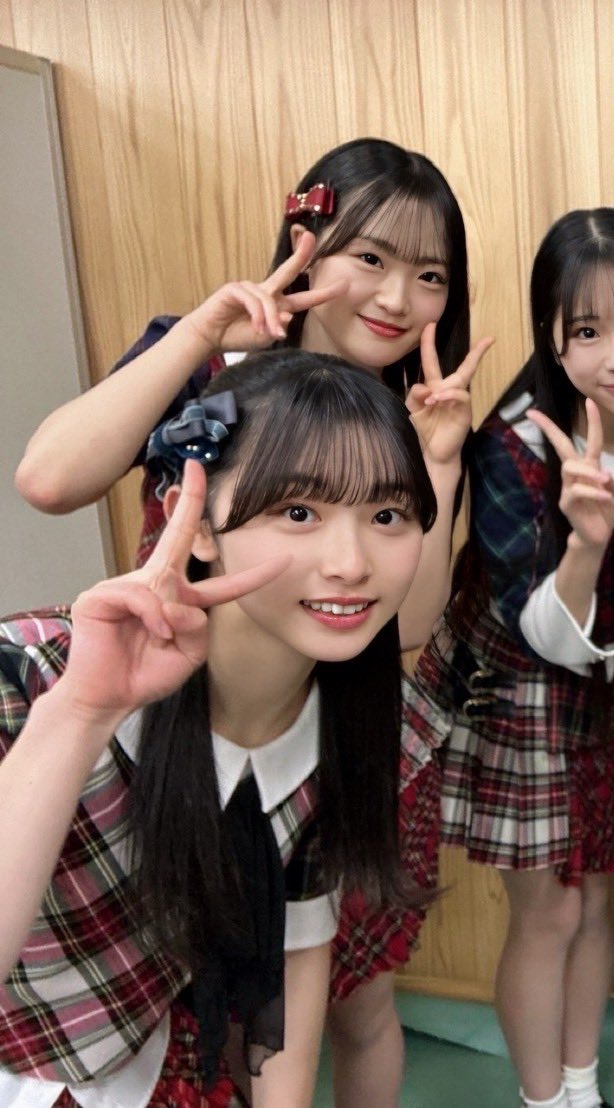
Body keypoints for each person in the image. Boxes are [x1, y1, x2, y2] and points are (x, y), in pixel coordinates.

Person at [14, 137, 491, 1104]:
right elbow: (49, 479)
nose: (397, 297)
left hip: (321, 737)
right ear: (306, 245)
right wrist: (202, 334)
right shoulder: (210, 369)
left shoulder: (420, 416)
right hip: (164, 723)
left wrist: (437, 463)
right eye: (371, 257)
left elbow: (402, 629)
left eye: (430, 275)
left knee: (340, 995)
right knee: (159, 990)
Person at [0, 350, 438, 1106]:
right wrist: (80, 714)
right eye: (298, 512)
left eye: (387, 515)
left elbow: (292, 971)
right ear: (195, 524)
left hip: (139, 1067)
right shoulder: (29, 677)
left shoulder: (351, 732)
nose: (351, 562)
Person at [413, 209, 614, 1108]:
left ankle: (582, 1087)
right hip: (516, 691)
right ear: (553, 342)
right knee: (550, 910)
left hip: (610, 686)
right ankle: (545, 1101)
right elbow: (541, 630)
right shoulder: (516, 447)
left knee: (596, 897)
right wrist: (586, 542)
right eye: (588, 331)